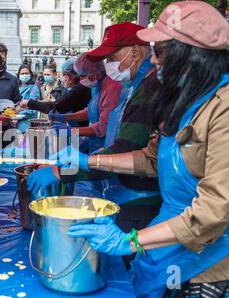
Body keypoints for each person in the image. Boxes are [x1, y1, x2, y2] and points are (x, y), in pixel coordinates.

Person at [56, 1, 229, 298]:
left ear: (190, 55)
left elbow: (213, 211)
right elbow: (151, 158)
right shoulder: (187, 100)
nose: (155, 62)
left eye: (159, 52)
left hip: (218, 258)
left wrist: (131, 241)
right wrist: (89, 160)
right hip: (171, 232)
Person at [28, 22, 163, 246]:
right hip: (122, 184)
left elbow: (126, 150)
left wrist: (66, 171)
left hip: (141, 198)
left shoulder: (148, 90)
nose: (108, 65)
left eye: (112, 58)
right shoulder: (134, 87)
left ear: (136, 52)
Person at [49, 52, 122, 153]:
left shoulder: (112, 88)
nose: (81, 80)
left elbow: (102, 128)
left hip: (105, 147)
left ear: (94, 73)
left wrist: (71, 131)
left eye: (82, 76)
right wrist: (66, 117)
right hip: (94, 143)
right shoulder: (97, 87)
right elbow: (90, 111)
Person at [19, 58, 91, 127]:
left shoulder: (78, 90)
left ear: (70, 76)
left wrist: (30, 103)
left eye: (63, 75)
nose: (63, 78)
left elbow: (55, 107)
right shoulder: (78, 88)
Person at [16, 64, 41, 132]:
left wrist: (16, 115)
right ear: (18, 75)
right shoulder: (16, 87)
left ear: (30, 75)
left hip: (26, 124)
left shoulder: (33, 88)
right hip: (14, 124)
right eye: (22, 73)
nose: (24, 75)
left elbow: (32, 108)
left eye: (26, 73)